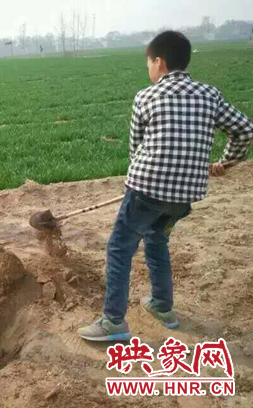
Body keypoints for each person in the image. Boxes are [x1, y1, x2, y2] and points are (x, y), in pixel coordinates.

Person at [78, 31, 253, 342]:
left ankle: (113, 321)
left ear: (159, 62)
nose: (148, 69)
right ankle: (162, 306)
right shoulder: (209, 94)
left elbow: (135, 148)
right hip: (183, 198)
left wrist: (135, 181)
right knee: (156, 240)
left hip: (145, 190)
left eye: (148, 63)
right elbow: (245, 130)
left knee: (119, 248)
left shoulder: (146, 96)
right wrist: (226, 163)